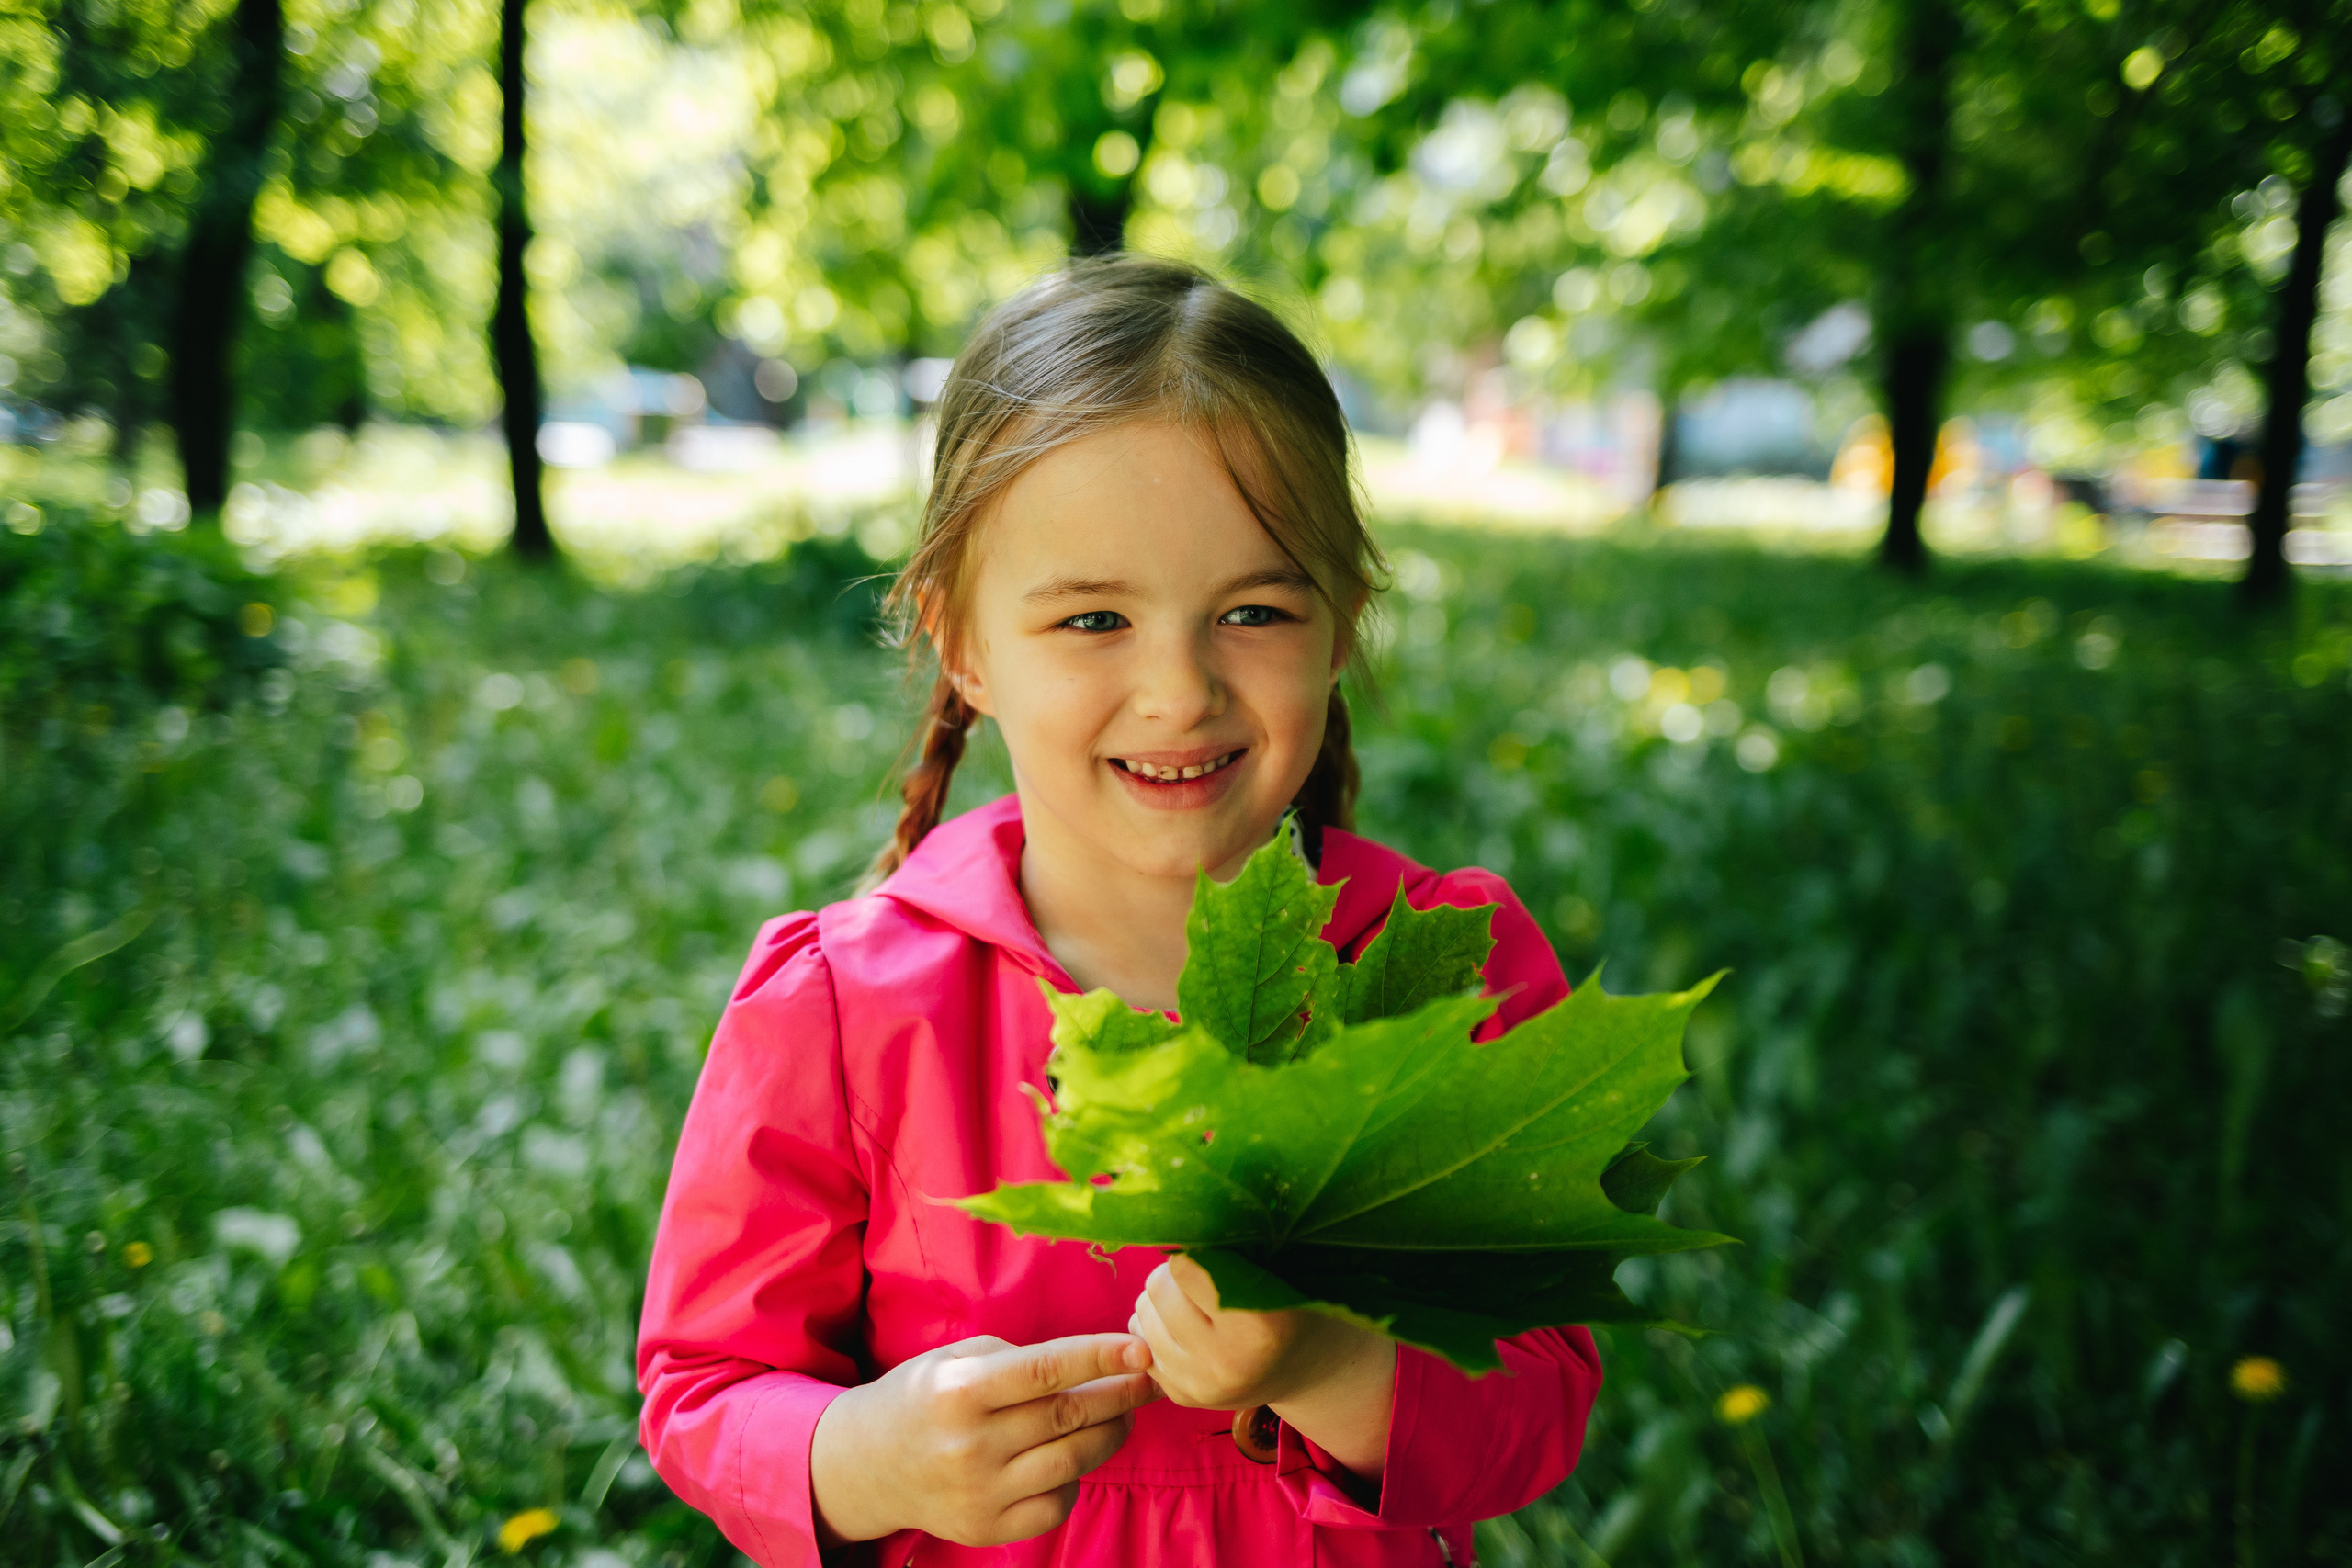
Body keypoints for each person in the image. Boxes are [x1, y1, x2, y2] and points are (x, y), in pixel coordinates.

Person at [637, 254, 1600, 1567]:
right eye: (1093, 618)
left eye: (1254, 611)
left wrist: (1327, 1361)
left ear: (1343, 623)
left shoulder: (1441, 974)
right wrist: (865, 1455)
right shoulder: (844, 1005)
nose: (1179, 691)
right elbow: (704, 1387)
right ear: (962, 643)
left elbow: (1540, 1401)